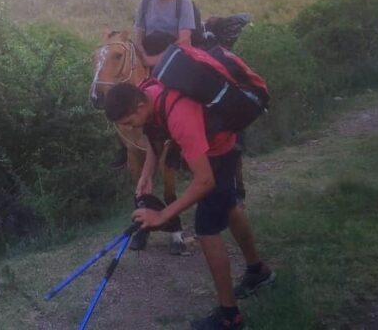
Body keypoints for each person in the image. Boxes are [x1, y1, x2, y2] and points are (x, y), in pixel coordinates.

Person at [104, 82, 275, 330]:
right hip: (214, 144)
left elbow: (204, 181)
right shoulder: (148, 95)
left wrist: (162, 215)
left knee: (206, 230)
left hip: (221, 150)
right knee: (228, 207)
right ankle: (258, 271)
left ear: (140, 105)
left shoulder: (180, 116)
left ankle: (230, 317)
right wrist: (147, 174)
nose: (131, 128)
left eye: (130, 122)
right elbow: (156, 137)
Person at [134, 0, 197, 67]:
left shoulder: (183, 3)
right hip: (147, 55)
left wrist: (154, 61)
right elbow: (138, 37)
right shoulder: (145, 3)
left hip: (174, 58)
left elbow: (184, 41)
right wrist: (143, 56)